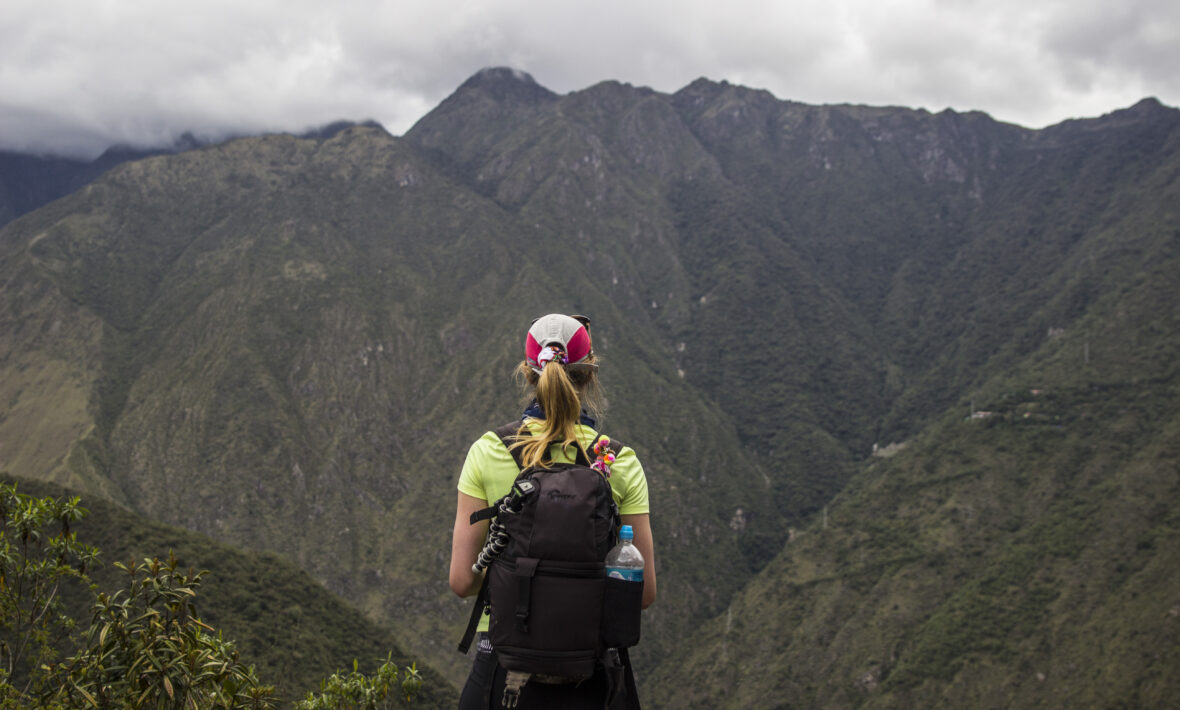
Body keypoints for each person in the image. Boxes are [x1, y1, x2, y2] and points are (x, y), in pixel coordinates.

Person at [450, 313, 656, 709]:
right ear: (590, 373)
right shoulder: (619, 461)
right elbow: (643, 593)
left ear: (528, 373)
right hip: (594, 676)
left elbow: (463, 582)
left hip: (503, 670)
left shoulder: (489, 450)